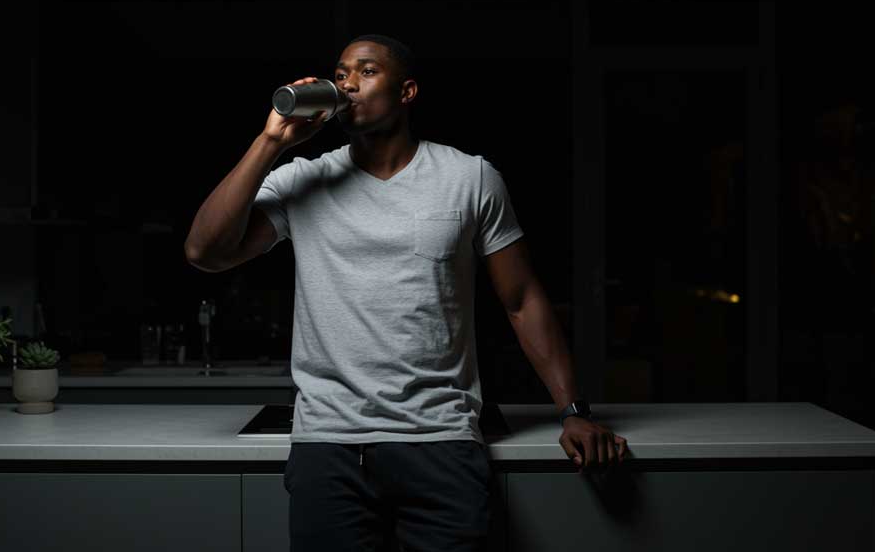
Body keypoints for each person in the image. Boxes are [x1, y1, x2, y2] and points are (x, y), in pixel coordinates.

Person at [185, 34, 628, 551]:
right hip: (329, 447)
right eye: (342, 71)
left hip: (440, 442)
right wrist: (272, 142)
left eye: (367, 71)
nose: (348, 81)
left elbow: (522, 299)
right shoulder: (302, 179)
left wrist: (574, 412)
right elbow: (205, 251)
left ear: (407, 91)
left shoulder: (469, 177)